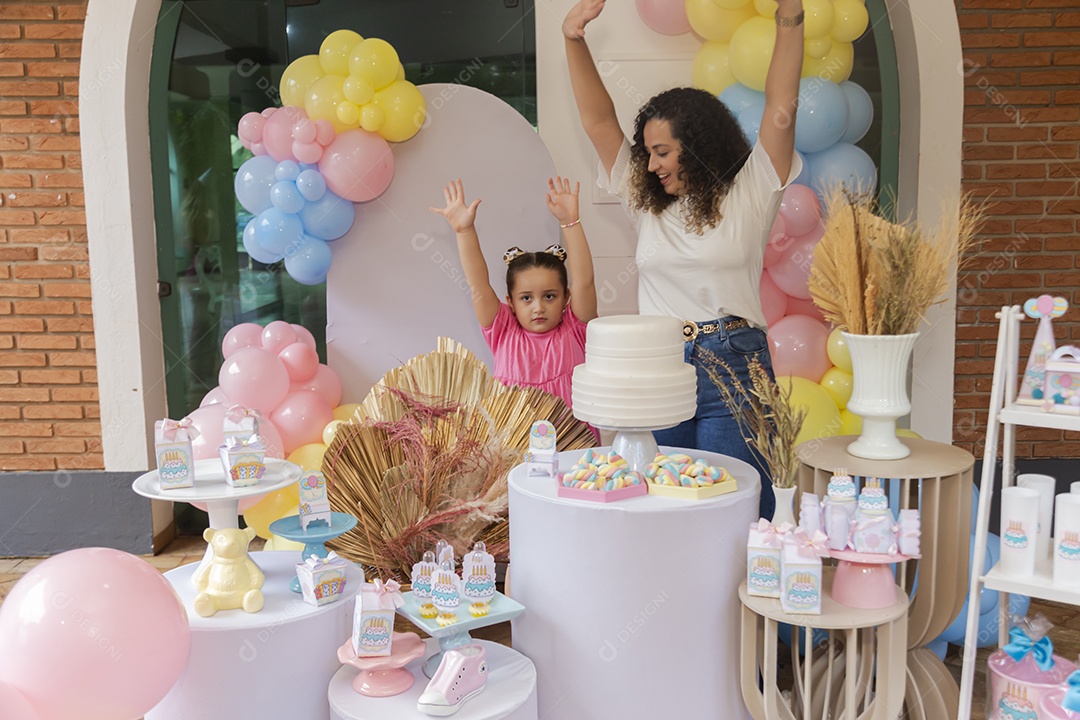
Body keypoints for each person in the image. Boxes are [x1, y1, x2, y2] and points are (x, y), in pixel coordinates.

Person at [562, 0, 805, 517]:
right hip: (660, 364)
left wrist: (790, 14)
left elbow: (782, 102)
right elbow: (598, 120)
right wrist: (573, 39)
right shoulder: (645, 201)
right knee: (659, 507)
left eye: (663, 152)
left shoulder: (753, 188)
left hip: (735, 362)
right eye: (646, 152)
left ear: (696, 147)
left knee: (731, 509)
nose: (650, 165)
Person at [431, 177, 597, 412]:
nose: (538, 307)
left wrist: (571, 223)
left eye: (549, 296)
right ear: (510, 302)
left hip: (575, 447)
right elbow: (479, 286)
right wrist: (464, 230)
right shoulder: (503, 330)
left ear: (566, 297)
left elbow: (585, 282)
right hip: (513, 446)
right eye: (526, 298)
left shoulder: (575, 328)